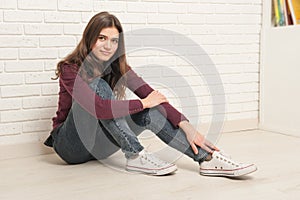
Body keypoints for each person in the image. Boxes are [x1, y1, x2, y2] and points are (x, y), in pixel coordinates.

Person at [44, 11, 257, 177]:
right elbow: (98, 107)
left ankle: (207, 160)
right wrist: (143, 103)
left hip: (100, 148)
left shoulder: (120, 68)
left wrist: (186, 124)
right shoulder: (70, 68)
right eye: (102, 38)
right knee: (100, 87)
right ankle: (135, 155)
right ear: (90, 39)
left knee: (151, 110)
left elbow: (151, 95)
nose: (108, 46)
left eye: (114, 40)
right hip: (71, 146)